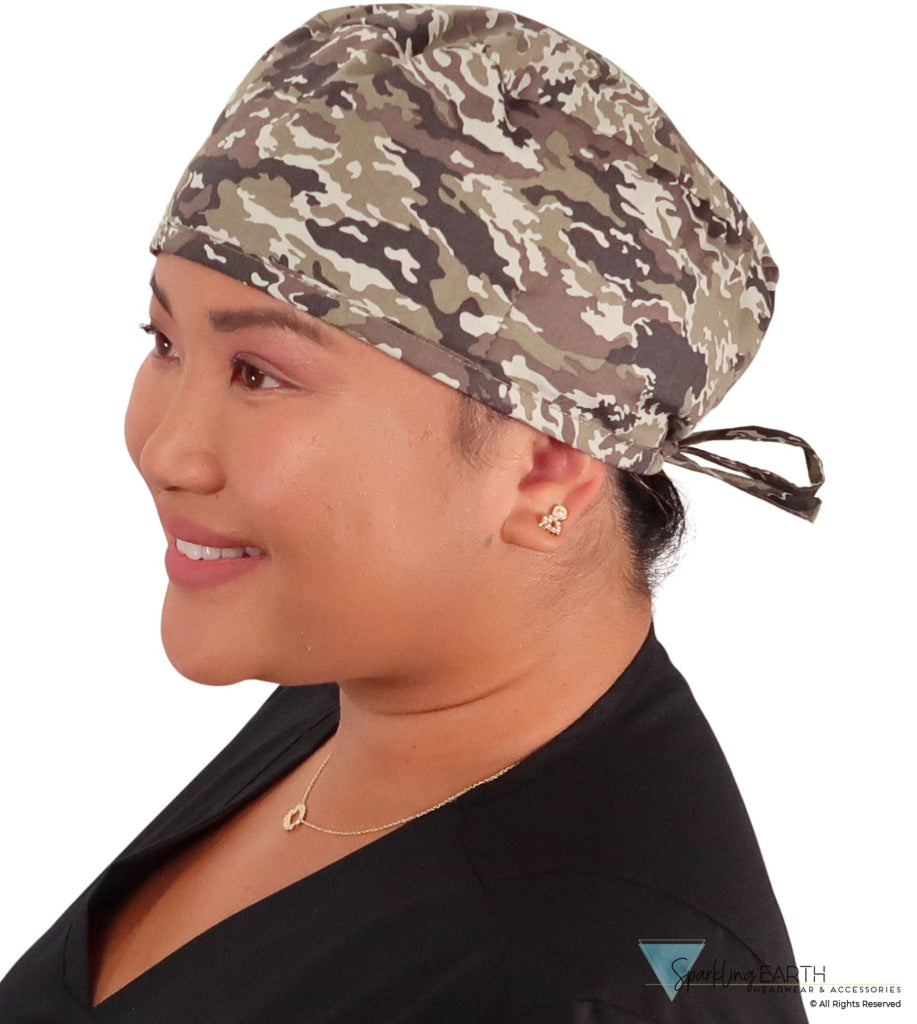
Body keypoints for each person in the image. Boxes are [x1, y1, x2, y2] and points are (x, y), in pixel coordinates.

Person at [0, 5, 824, 1021]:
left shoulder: (593, 984)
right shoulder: (363, 689)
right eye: (164, 341)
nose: (165, 448)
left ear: (542, 465)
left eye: (258, 373)